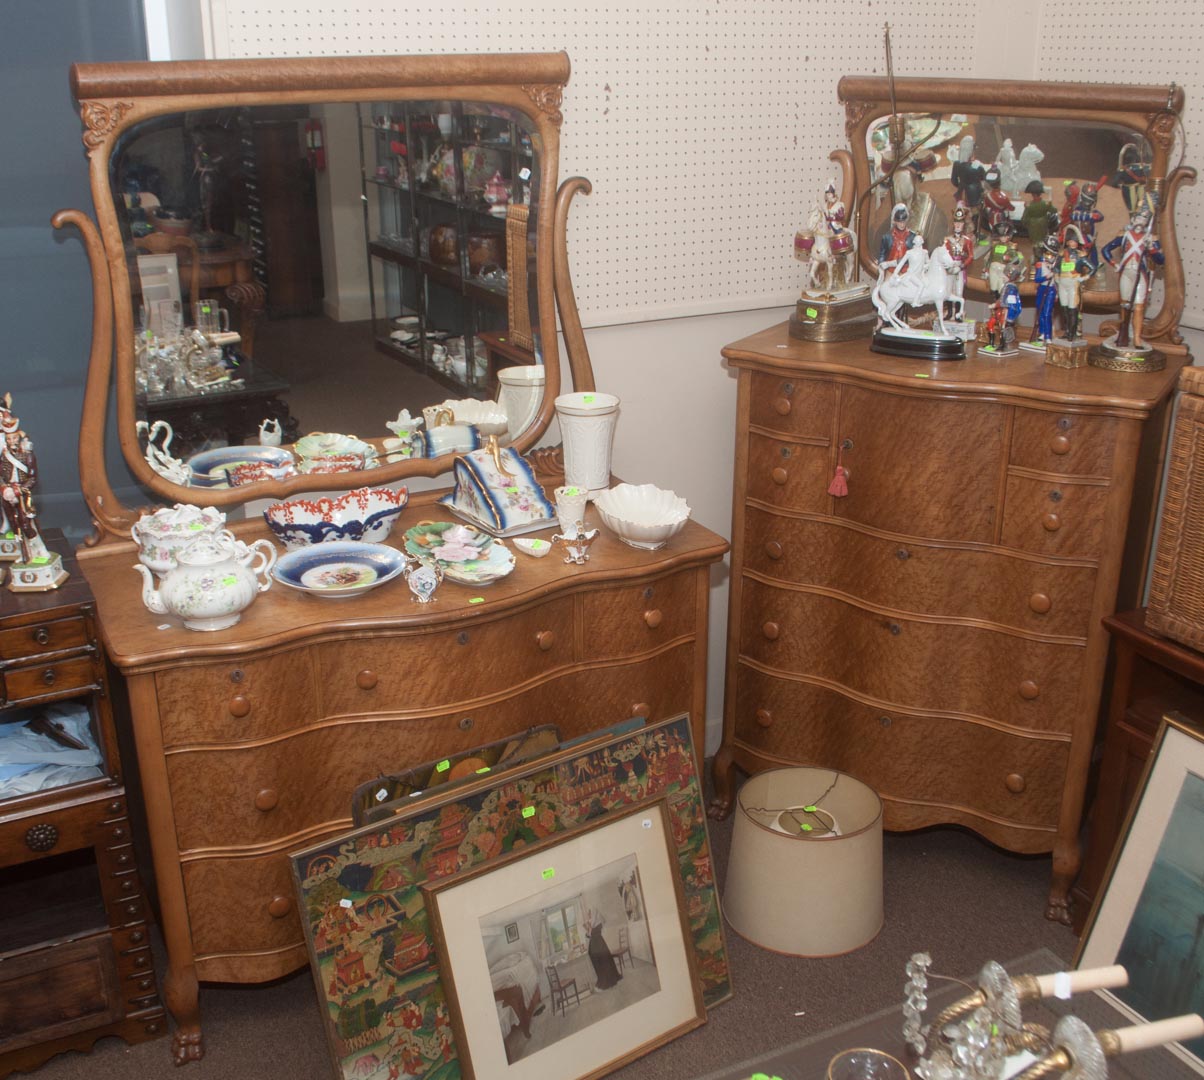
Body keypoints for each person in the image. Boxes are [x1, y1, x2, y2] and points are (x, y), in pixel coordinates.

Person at [1102, 203, 1164, 349]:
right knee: (1124, 305)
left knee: (1139, 307)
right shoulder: (1124, 235)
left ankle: (1136, 338)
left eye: (1144, 218)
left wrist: (1151, 249)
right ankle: (1124, 333)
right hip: (1126, 273)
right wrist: (1114, 264)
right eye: (1138, 217)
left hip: (1140, 274)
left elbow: (1161, 260)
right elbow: (1106, 249)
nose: (1140, 221)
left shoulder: (1151, 238)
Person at [1055, 225, 1092, 341]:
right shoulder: (1062, 255)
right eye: (1071, 241)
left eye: (1075, 242)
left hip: (1073, 283)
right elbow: (1056, 268)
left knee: (1072, 310)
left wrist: (1085, 277)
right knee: (1064, 309)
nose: (1073, 244)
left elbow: (1093, 267)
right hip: (1062, 282)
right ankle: (1066, 331)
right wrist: (1056, 276)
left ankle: (1072, 332)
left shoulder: (1080, 255)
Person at [942, 206, 974, 321]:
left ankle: (959, 314)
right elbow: (944, 253)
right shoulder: (947, 239)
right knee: (948, 290)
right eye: (956, 223)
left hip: (960, 267)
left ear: (963, 224)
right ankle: (950, 312)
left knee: (959, 291)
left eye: (960, 223)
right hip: (950, 267)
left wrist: (962, 266)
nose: (958, 225)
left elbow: (970, 256)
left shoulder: (967, 240)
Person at [1029, 233, 1061, 345]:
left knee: (1047, 313)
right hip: (1042, 289)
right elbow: (1037, 279)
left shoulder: (1057, 265)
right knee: (1040, 312)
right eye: (1048, 254)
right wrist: (1046, 277)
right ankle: (1042, 333)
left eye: (1052, 254)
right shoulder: (1040, 264)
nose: (1049, 257)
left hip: (1051, 289)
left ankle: (1048, 335)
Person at [983, 220, 1025, 299]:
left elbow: (1016, 259)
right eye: (1001, 236)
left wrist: (1009, 259)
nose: (1003, 238)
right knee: (993, 287)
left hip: (1003, 269)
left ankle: (1000, 300)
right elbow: (990, 257)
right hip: (993, 267)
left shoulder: (1011, 246)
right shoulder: (995, 245)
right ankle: (996, 298)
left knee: (1001, 287)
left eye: (1005, 236)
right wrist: (986, 268)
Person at [585, 911, 622, 990]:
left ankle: (609, 979)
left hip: (599, 944)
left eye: (590, 913)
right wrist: (587, 928)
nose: (589, 915)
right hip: (594, 945)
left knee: (604, 961)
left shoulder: (597, 923)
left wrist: (589, 928)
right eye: (588, 914)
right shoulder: (591, 923)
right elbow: (588, 935)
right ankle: (602, 978)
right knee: (599, 962)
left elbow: (592, 933)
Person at [877, 202, 918, 269]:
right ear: (895, 221)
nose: (902, 225)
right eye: (899, 222)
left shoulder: (913, 237)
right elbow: (882, 254)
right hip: (891, 270)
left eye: (904, 222)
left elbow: (914, 256)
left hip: (907, 270)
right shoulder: (887, 237)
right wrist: (881, 264)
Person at [1020, 180, 1054, 249]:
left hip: (1033, 225)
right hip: (1043, 223)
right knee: (1043, 239)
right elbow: (1054, 210)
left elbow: (1024, 219)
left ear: (1033, 195)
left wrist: (1026, 224)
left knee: (1035, 242)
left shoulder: (1029, 206)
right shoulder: (1045, 204)